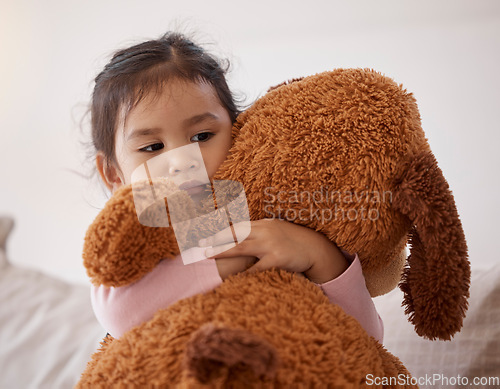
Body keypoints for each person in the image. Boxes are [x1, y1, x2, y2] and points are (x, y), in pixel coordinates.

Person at [89, 31, 383, 342]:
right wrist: (239, 259)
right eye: (152, 147)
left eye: (202, 137)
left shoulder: (269, 213)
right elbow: (119, 313)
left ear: (238, 132)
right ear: (113, 175)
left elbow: (369, 340)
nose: (181, 162)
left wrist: (317, 253)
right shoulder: (136, 237)